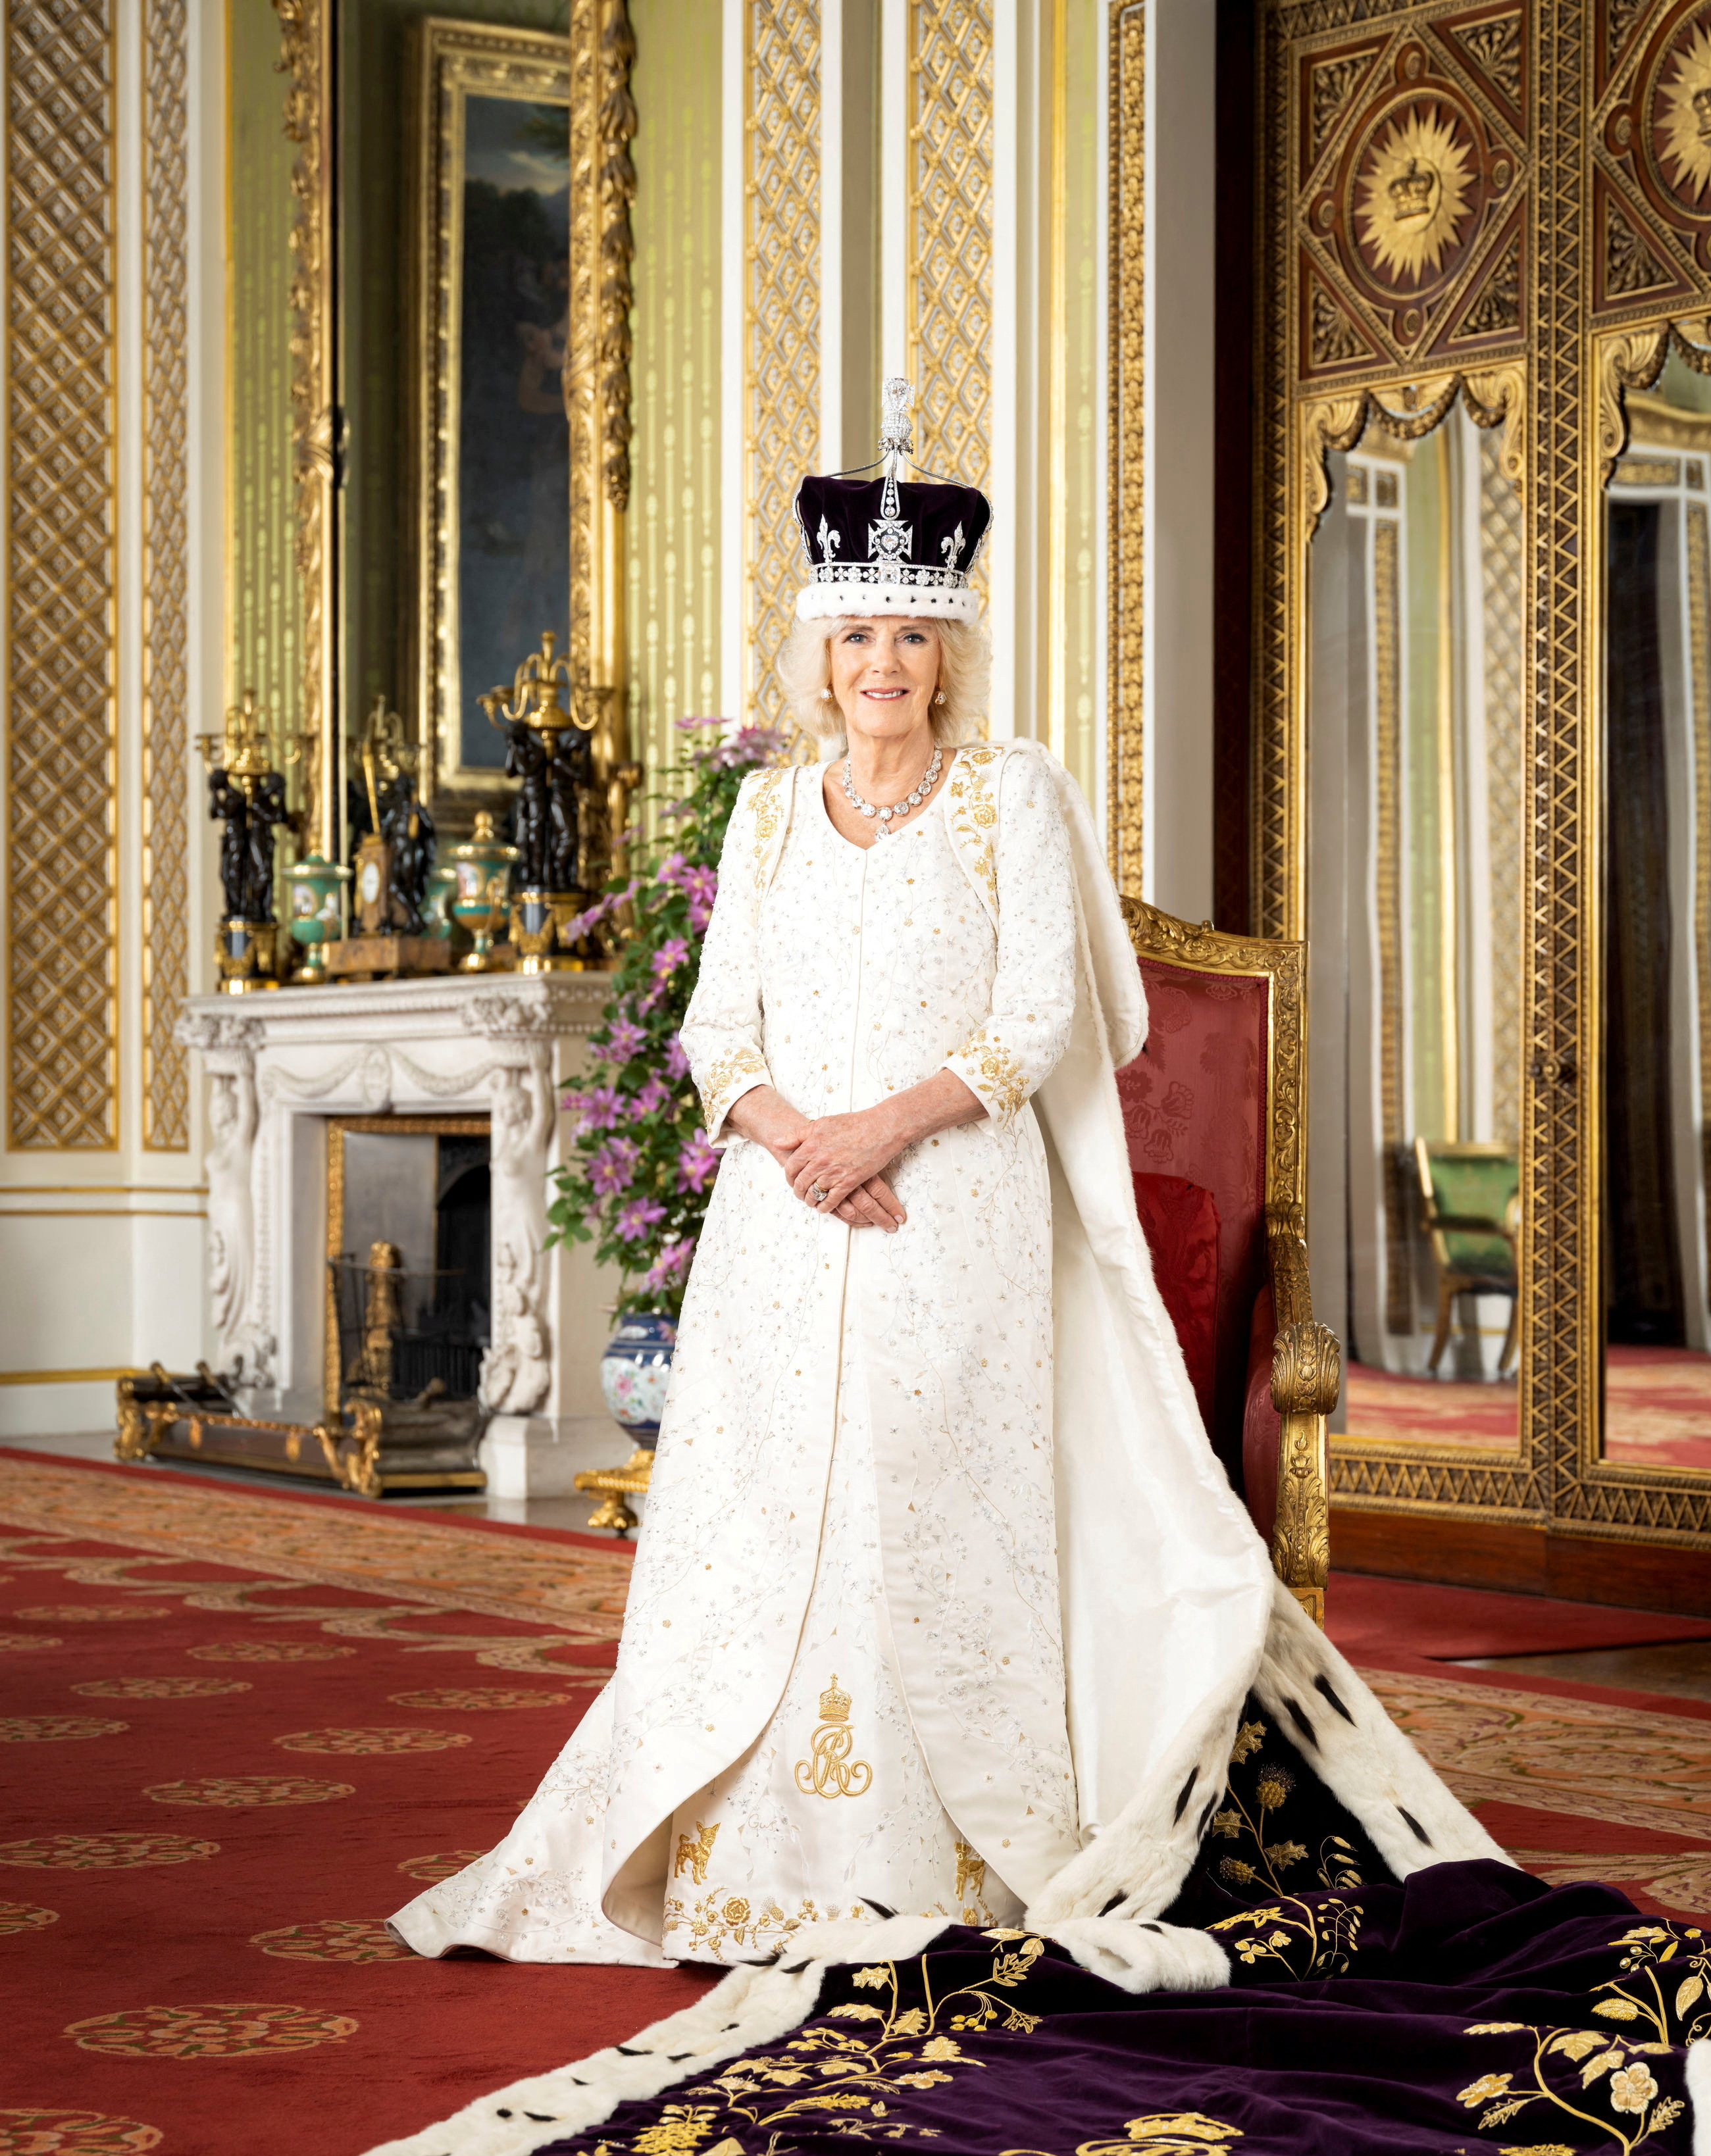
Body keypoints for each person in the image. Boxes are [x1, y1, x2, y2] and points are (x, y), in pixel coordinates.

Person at [390, 384, 1493, 1968]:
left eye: (909, 639)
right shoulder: (770, 813)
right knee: (780, 1521)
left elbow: (1036, 1018)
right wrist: (797, 1142)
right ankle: (738, 1865)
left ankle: (948, 1861)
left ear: (948, 655)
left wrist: (875, 1132)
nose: (880, 667)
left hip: (952, 1211)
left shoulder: (1009, 798)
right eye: (855, 639)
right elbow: (716, 1031)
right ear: (817, 656)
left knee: (923, 1512)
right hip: (780, 1227)